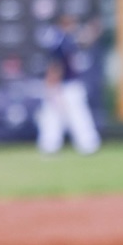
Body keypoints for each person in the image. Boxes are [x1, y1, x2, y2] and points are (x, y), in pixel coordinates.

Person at [35, 13, 100, 156]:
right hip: (62, 84)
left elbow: (83, 41)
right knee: (55, 114)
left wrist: (93, 31)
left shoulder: (67, 39)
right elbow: (55, 65)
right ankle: (51, 145)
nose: (74, 26)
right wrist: (52, 86)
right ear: (63, 23)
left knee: (75, 114)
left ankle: (87, 144)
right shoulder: (59, 40)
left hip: (70, 84)